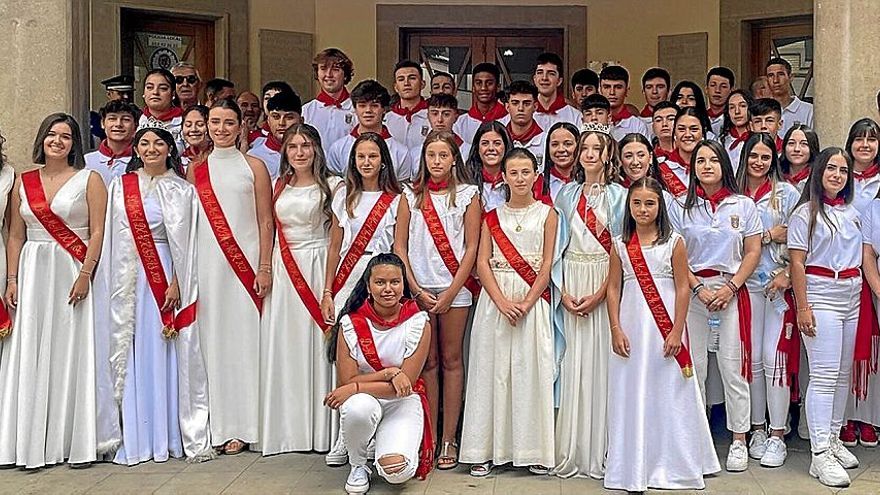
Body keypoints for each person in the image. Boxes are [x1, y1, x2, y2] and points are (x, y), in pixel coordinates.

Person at [95, 126, 211, 465]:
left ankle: (165, 435)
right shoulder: (120, 187)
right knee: (131, 351)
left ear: (169, 148)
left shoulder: (183, 191)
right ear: (137, 149)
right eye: (144, 143)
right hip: (128, 278)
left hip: (164, 276)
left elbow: (188, 243)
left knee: (161, 351)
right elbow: (113, 237)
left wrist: (177, 280)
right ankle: (134, 435)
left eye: (158, 143)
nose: (150, 149)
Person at [0, 113, 109, 468]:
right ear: (42, 139)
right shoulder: (23, 181)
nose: (57, 141)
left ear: (74, 143)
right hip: (33, 270)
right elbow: (15, 234)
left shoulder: (90, 179)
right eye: (51, 134)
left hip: (71, 269)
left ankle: (67, 440)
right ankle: (25, 443)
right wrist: (12, 278)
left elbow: (96, 231)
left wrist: (86, 273)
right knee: (30, 349)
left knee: (68, 351)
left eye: (65, 136)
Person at [604, 177, 721, 491]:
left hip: (665, 323)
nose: (643, 209)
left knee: (669, 389)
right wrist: (615, 327)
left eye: (650, 203)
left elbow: (683, 288)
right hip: (631, 323)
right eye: (637, 203)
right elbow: (613, 288)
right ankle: (634, 462)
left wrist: (677, 331)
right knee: (633, 389)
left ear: (660, 206)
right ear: (629, 206)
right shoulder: (619, 243)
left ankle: (675, 461)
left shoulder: (674, 242)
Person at [459, 148, 559, 477]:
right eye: (512, 173)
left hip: (533, 300)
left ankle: (533, 450)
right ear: (503, 177)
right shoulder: (491, 217)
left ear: (535, 176)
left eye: (525, 172)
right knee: (491, 372)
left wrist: (528, 302)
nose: (519, 179)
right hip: (495, 300)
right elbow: (482, 262)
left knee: (532, 372)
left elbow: (547, 264)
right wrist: (501, 301)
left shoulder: (548, 214)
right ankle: (482, 449)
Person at [668, 139, 762, 473]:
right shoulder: (681, 206)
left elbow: (752, 251)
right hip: (693, 294)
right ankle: (695, 436)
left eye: (713, 160)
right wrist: (696, 287)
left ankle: (739, 439)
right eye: (700, 161)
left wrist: (732, 286)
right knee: (694, 369)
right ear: (692, 168)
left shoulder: (743, 205)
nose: (706, 166)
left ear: (724, 164)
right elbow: (675, 255)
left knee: (733, 369)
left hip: (732, 290)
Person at [188, 99, 274, 455]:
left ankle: (244, 425)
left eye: (228, 122)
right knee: (213, 344)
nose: (221, 128)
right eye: (215, 122)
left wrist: (265, 266)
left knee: (244, 343)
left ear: (242, 126)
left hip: (246, 267)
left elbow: (266, 220)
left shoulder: (254, 166)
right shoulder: (196, 170)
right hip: (209, 266)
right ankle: (217, 424)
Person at [394, 131, 480, 471]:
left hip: (454, 289)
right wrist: (414, 288)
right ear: (424, 159)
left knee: (451, 359)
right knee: (425, 363)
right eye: (432, 155)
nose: (437, 162)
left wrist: (450, 291)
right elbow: (400, 245)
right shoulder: (410, 195)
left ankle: (449, 438)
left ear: (454, 159)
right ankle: (426, 436)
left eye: (444, 155)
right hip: (419, 288)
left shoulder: (469, 195)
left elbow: (472, 247)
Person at [320, 133, 403, 467]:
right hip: (347, 277)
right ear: (353, 161)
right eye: (360, 157)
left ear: (383, 159)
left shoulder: (398, 198)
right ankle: (344, 436)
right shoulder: (344, 197)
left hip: (381, 276)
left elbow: (400, 246)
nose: (366, 162)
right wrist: (328, 290)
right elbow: (335, 246)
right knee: (345, 355)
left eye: (372, 156)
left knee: (376, 353)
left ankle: (373, 435)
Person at [260, 124, 341, 456]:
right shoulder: (278, 186)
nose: (299, 152)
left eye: (306, 145)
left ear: (316, 149)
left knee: (317, 344)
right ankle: (289, 430)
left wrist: (328, 287)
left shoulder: (333, 186)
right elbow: (267, 227)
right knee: (287, 344)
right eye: (292, 146)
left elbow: (337, 237)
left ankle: (321, 431)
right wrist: (265, 267)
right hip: (284, 268)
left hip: (317, 263)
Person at [324, 253, 432, 494]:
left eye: (395, 282)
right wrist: (389, 373)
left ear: (403, 285)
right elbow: (346, 380)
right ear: (368, 287)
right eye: (380, 282)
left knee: (397, 471)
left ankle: (377, 440)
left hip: (401, 401)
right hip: (366, 400)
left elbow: (405, 385)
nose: (388, 289)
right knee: (358, 407)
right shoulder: (350, 323)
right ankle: (358, 464)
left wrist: (354, 387)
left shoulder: (418, 322)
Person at [552, 126, 626, 479]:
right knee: (573, 364)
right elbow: (556, 246)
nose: (590, 153)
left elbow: (621, 250)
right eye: (585, 147)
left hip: (603, 278)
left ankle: (605, 445)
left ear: (608, 154)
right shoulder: (565, 194)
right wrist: (562, 290)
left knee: (601, 363)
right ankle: (572, 445)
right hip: (571, 276)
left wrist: (601, 294)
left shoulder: (620, 196)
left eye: (598, 148)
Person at [788, 148, 862, 487]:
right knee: (824, 374)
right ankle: (819, 454)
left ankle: (833, 438)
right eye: (831, 168)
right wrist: (803, 306)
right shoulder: (806, 213)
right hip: (821, 295)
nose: (837, 175)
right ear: (819, 172)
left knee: (843, 372)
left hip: (852, 292)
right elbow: (797, 263)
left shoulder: (851, 211)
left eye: (843, 170)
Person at [735, 133, 801, 468]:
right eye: (753, 156)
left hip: (776, 286)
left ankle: (778, 433)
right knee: (752, 360)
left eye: (765, 156)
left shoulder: (787, 193)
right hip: (744, 287)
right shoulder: (734, 195)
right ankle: (757, 429)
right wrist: (765, 235)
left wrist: (788, 271)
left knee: (774, 358)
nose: (758, 162)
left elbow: (801, 235)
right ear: (744, 156)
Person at [327, 80, 412, 181]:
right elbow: (333, 185)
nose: (368, 110)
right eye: (362, 105)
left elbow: (403, 190)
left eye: (374, 105)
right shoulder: (338, 148)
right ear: (354, 108)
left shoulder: (400, 152)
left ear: (384, 109)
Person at [302, 48, 357, 146]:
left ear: (345, 75)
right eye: (323, 69)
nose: (328, 74)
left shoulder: (356, 109)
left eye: (335, 69)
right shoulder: (306, 111)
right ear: (317, 73)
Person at [248, 91, 303, 180]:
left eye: (289, 117)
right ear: (268, 121)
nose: (281, 123)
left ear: (301, 121)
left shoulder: (310, 153)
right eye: (276, 117)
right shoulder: (254, 157)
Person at [84, 100, 138, 186]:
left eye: (126, 120)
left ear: (135, 125)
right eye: (112, 119)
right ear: (102, 123)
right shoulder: (87, 162)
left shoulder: (143, 162)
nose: (118, 124)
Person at [453, 63, 507, 143]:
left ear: (498, 87)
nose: (483, 88)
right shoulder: (460, 123)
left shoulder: (508, 120)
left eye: (489, 83)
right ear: (473, 88)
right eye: (479, 83)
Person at [660, 107, 706, 198]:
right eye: (681, 129)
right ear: (675, 134)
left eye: (694, 129)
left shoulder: (714, 166)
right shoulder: (661, 170)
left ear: (703, 133)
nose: (687, 134)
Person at [467, 121, 511, 212]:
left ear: (506, 146)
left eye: (497, 143)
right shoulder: (465, 180)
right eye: (485, 143)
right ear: (477, 148)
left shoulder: (515, 180)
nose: (491, 148)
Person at [139, 68, 185, 152]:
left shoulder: (184, 122)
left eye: (163, 88)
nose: (155, 92)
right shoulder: (136, 120)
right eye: (149, 87)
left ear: (173, 94)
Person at [387, 60, 429, 150]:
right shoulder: (386, 120)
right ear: (396, 87)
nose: (406, 83)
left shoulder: (433, 116)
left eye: (412, 78)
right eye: (401, 79)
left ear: (422, 84)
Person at [766, 57, 814, 136]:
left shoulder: (809, 111)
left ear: (791, 77)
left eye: (780, 74)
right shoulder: (762, 111)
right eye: (771, 75)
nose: (775, 80)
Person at [599, 65, 649, 141]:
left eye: (618, 87)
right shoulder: (592, 121)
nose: (612, 92)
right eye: (607, 87)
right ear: (600, 90)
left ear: (626, 90)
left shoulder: (637, 125)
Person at [532, 52, 581, 129]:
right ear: (534, 79)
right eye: (540, 72)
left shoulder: (575, 117)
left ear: (559, 81)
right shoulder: (525, 113)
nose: (544, 78)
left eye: (551, 73)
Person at [534, 122, 579, 205]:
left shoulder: (588, 181)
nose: (561, 149)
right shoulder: (537, 182)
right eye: (555, 144)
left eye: (568, 144)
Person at [504, 80, 546, 166]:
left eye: (526, 104)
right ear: (507, 107)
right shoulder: (499, 141)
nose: (520, 108)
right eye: (515, 103)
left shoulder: (546, 141)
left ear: (535, 107)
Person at [417, 93, 469, 163]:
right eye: (435, 114)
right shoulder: (417, 152)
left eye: (446, 114)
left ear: (456, 117)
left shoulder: (467, 152)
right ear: (428, 116)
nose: (440, 120)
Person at [844, 118, 880, 214]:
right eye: (859, 139)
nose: (865, 145)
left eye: (871, 140)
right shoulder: (839, 176)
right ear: (850, 144)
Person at [90, 74, 135, 146]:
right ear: (109, 94)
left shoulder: (139, 115)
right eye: (121, 93)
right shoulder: (96, 118)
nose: (126, 97)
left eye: (128, 93)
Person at [719, 89, 754, 173]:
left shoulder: (758, 138)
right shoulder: (722, 141)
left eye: (742, 106)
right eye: (732, 107)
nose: (737, 112)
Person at [780, 124, 820, 192]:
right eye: (791, 143)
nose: (797, 149)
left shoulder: (818, 178)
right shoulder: (775, 175)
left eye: (804, 144)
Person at [706, 67, 736, 136]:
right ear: (706, 89)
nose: (717, 90)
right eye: (713, 85)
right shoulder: (700, 118)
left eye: (723, 86)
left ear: (732, 90)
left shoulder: (736, 119)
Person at [639, 67, 671, 132]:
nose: (654, 91)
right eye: (649, 87)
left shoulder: (678, 120)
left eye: (660, 87)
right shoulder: (637, 122)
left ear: (669, 91)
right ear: (643, 92)